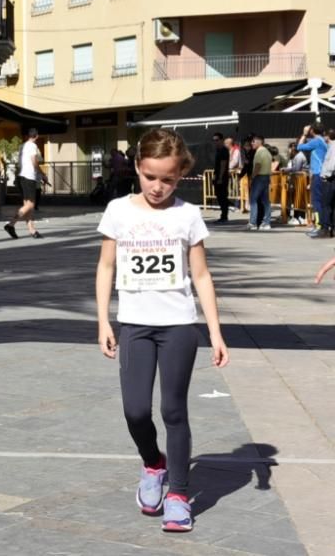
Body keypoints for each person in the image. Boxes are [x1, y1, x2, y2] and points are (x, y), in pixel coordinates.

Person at [95, 128, 229, 534]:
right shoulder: (119, 210)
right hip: (135, 325)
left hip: (178, 327)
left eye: (167, 179)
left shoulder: (187, 215)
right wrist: (103, 320)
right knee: (135, 410)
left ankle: (178, 495)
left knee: (173, 410)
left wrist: (216, 332)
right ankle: (154, 463)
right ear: (137, 167)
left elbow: (202, 276)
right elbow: (106, 267)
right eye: (151, 176)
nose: (158, 186)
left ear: (180, 174)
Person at [4, 128, 49, 239]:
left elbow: (21, 162)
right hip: (29, 177)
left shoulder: (22, 146)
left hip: (21, 176)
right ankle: (11, 224)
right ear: (36, 136)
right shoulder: (33, 146)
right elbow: (34, 161)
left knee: (27, 206)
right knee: (31, 205)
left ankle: (32, 230)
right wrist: (42, 174)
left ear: (28, 135)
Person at [297, 123, 328, 229]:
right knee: (323, 201)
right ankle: (323, 224)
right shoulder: (322, 141)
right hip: (323, 173)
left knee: (316, 200)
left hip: (318, 173)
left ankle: (319, 225)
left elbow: (299, 146)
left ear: (312, 131)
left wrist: (304, 134)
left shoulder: (316, 141)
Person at [309, 129, 335, 239]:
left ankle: (325, 228)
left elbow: (331, 164)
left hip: (329, 179)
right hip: (331, 178)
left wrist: (325, 175)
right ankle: (331, 228)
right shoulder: (330, 147)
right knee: (332, 205)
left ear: (328, 137)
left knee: (326, 204)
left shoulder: (333, 148)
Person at [248, 134, 272, 231]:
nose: (251, 143)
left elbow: (257, 166)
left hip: (259, 177)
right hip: (266, 177)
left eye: (253, 141)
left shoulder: (259, 152)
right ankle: (266, 223)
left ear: (259, 142)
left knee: (253, 200)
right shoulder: (267, 152)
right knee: (265, 201)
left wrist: (252, 177)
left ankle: (252, 223)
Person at [211, 132, 230, 224]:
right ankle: (223, 215)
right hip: (218, 176)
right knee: (219, 196)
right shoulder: (218, 150)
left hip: (222, 177)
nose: (215, 142)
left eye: (217, 140)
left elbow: (223, 165)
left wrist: (220, 178)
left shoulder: (223, 150)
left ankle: (224, 216)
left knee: (222, 196)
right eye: (214, 140)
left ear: (222, 140)